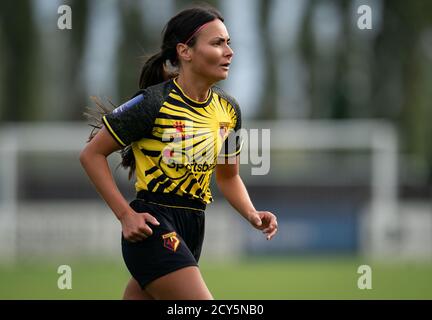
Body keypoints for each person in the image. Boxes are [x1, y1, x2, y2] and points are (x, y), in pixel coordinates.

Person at [79, 5, 278, 300]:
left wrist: (251, 213)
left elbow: (228, 176)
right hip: (153, 224)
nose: (229, 51)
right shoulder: (152, 103)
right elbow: (91, 155)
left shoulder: (229, 110)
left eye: (229, 43)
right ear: (185, 51)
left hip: (194, 226)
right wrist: (125, 215)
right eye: (217, 43)